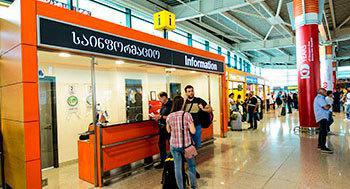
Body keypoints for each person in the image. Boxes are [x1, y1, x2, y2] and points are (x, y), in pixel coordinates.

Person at [166, 96, 197, 189]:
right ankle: (193, 186)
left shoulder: (169, 116)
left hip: (174, 145)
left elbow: (168, 130)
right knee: (191, 166)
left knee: (177, 167)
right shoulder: (187, 115)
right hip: (186, 145)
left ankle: (181, 187)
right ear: (183, 104)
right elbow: (193, 131)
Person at [184, 85, 212, 178]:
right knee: (187, 148)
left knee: (194, 148)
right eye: (188, 91)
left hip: (196, 127)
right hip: (186, 128)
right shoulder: (184, 102)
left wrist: (202, 109)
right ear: (186, 93)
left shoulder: (199, 100)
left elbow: (210, 109)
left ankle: (192, 168)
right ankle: (189, 166)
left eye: (192, 91)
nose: (191, 92)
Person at [154, 92, 172, 169]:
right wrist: (158, 117)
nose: (159, 100)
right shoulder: (163, 105)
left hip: (168, 128)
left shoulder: (171, 104)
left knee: (171, 144)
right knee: (161, 145)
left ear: (164, 97)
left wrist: (161, 117)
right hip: (162, 128)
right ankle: (163, 161)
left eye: (160, 98)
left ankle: (171, 161)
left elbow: (171, 116)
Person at [314, 88, 333, 153]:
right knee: (323, 132)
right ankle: (323, 147)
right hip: (322, 117)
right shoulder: (320, 98)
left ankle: (320, 145)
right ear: (321, 92)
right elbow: (326, 107)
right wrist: (329, 105)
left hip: (322, 116)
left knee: (322, 131)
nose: (326, 93)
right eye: (325, 92)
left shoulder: (320, 98)